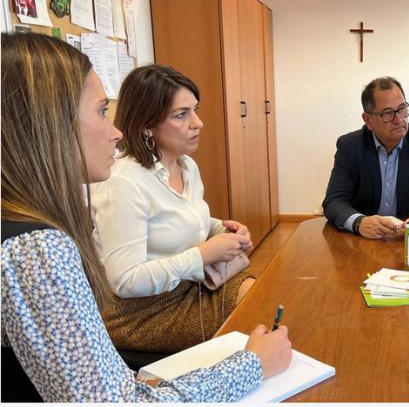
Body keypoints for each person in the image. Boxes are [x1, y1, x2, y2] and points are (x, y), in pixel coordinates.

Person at [1, 32, 292, 401]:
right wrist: (251, 366)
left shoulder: (27, 230)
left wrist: (219, 229)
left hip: (181, 291)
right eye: (101, 111)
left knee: (261, 300)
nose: (115, 131)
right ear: (48, 123)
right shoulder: (37, 249)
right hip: (149, 307)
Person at [90, 65, 257, 353]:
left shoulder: (186, 165)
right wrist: (204, 254)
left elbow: (178, 221)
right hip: (141, 313)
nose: (198, 123)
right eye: (182, 115)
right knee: (256, 323)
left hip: (190, 286)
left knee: (265, 297)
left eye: (195, 110)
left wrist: (221, 228)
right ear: (146, 125)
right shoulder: (125, 182)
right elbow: (125, 281)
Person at [322, 76, 409, 239]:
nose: (399, 119)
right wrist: (359, 222)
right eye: (388, 113)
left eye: (402, 109)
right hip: (365, 239)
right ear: (368, 120)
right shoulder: (350, 146)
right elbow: (334, 201)